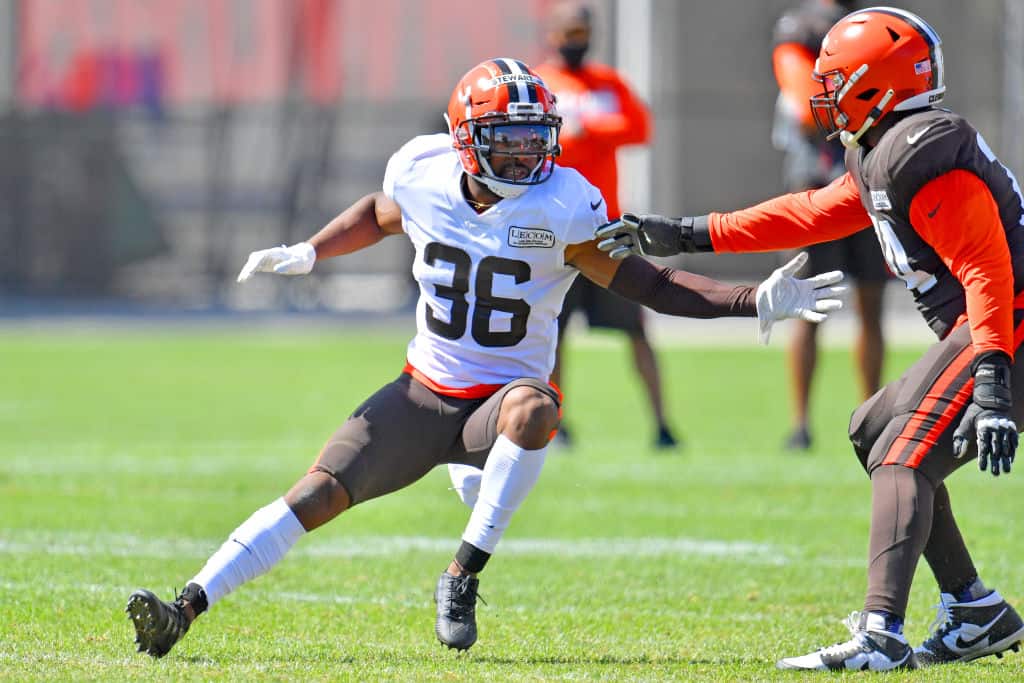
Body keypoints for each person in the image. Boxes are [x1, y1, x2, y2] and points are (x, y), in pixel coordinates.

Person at [124, 57, 844, 659]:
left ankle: (462, 570)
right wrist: (311, 250)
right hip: (422, 393)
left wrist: (753, 301)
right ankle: (183, 610)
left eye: (536, 138)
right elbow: (379, 214)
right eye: (508, 139)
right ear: (466, 142)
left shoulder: (566, 203)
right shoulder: (422, 171)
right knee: (313, 493)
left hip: (497, 405)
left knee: (537, 405)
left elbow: (649, 285)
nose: (528, 153)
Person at [597, 6, 1024, 671]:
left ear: (876, 84)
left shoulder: (926, 154)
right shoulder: (885, 149)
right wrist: (685, 231)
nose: (825, 94)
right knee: (870, 429)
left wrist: (993, 382)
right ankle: (974, 609)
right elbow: (809, 213)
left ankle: (881, 632)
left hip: (1007, 326)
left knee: (904, 455)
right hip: (994, 324)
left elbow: (986, 268)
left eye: (839, 80)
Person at [534, 1, 678, 450]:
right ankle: (555, 422)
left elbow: (637, 126)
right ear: (553, 34)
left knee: (635, 327)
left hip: (605, 228)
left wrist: (587, 130)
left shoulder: (607, 82)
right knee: (553, 335)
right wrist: (577, 134)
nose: (574, 42)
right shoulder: (542, 82)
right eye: (568, 32)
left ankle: (662, 424)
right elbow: (544, 141)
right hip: (556, 229)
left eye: (582, 33)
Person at [771, 0, 888, 451]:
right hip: (818, 183)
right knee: (808, 307)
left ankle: (872, 418)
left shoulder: (873, 20)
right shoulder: (799, 26)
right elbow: (805, 107)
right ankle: (800, 424)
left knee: (872, 306)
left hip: (869, 180)